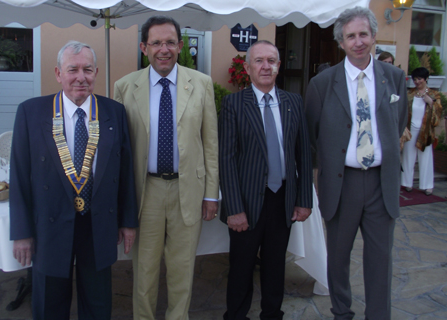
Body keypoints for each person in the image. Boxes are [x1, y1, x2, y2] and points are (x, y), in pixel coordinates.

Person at [9, 40, 138, 319]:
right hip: (50, 225)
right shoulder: (31, 113)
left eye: (87, 69)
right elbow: (18, 176)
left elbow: (125, 172)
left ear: (96, 72)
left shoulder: (114, 112)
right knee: (49, 305)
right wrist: (21, 232)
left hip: (98, 223)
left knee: (98, 304)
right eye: (73, 69)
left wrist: (128, 222)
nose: (81, 77)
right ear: (58, 73)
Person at [113, 16, 219, 320]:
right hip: (145, 191)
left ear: (181, 46)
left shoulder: (201, 84)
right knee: (143, 271)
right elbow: (117, 152)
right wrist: (121, 202)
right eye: (156, 42)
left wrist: (211, 194)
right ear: (144, 47)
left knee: (182, 270)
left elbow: (210, 143)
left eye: (170, 42)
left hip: (189, 189)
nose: (164, 49)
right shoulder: (125, 86)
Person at [305, 7, 408, 320]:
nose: (359, 41)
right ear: (341, 42)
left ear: (374, 36)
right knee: (338, 257)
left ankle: (378, 315)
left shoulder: (395, 78)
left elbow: (397, 122)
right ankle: (341, 312)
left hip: (381, 183)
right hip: (341, 182)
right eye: (351, 36)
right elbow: (313, 134)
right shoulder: (322, 84)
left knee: (380, 259)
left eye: (364, 34)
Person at [219, 40, 313, 319]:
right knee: (241, 266)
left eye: (271, 61)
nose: (266, 66)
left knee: (275, 265)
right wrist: (234, 208)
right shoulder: (234, 104)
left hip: (282, 198)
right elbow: (226, 159)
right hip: (246, 202)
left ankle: (272, 314)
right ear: (247, 68)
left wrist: (303, 200)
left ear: (279, 66)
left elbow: (303, 155)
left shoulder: (293, 102)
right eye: (259, 61)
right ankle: (236, 315)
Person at [402, 67, 443, 195]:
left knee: (426, 158)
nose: (417, 82)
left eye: (419, 79)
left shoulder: (434, 95)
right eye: (415, 79)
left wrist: (431, 103)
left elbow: (438, 113)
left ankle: (427, 185)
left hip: (425, 130)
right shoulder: (410, 94)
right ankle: (406, 183)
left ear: (426, 79)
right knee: (408, 156)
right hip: (411, 129)